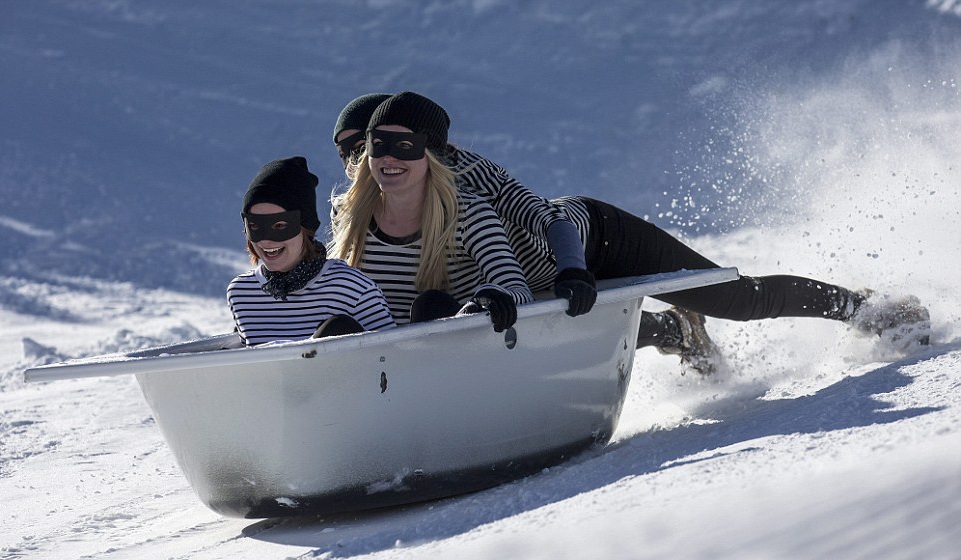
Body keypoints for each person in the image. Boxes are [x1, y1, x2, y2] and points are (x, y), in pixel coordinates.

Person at [331, 93, 931, 374]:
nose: (363, 160)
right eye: (351, 151)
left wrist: (571, 268)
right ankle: (675, 332)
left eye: (373, 144)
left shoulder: (465, 178)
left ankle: (864, 308)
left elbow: (552, 217)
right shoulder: (366, 213)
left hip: (595, 240)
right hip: (532, 283)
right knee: (562, 334)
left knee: (733, 302)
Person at [328, 92, 534, 331]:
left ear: (431, 156)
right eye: (379, 145)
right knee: (336, 325)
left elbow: (518, 290)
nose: (389, 157)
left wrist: (490, 299)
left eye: (405, 146)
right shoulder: (348, 213)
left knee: (430, 304)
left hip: (448, 354)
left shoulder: (469, 216)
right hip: (375, 357)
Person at [228, 156, 396, 346]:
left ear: (305, 227)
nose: (267, 240)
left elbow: (391, 356)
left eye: (280, 225)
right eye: (255, 226)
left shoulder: (351, 287)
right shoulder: (242, 293)